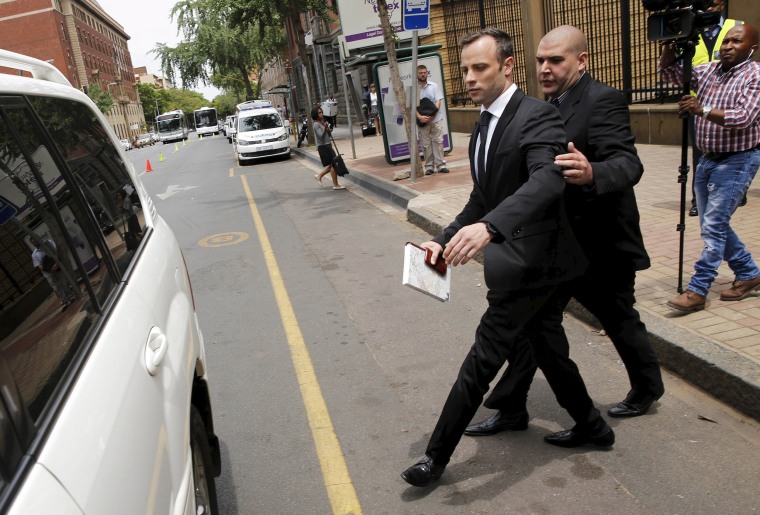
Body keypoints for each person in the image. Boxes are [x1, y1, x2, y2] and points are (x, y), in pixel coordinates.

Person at [401, 28, 613, 488]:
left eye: (481, 68)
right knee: (549, 352)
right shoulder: (483, 123)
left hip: (536, 265)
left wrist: (491, 227)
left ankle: (435, 458)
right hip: (516, 263)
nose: (470, 79)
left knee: (483, 359)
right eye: (465, 70)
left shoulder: (537, 117)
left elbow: (546, 181)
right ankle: (594, 427)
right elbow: (483, 196)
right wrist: (445, 237)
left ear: (509, 65)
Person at [463, 26, 664, 443]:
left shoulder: (601, 100)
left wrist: (593, 172)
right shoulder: (538, 107)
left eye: (556, 61)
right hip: (558, 247)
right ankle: (512, 407)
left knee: (618, 319)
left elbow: (629, 165)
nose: (546, 69)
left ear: (581, 61)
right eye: (540, 61)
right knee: (532, 327)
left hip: (601, 244)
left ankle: (647, 388)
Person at [661, 24, 760, 312]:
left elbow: (742, 117)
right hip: (708, 158)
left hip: (739, 159)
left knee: (714, 226)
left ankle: (698, 289)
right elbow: (669, 75)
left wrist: (700, 109)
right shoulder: (710, 70)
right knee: (712, 224)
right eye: (726, 41)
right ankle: (749, 273)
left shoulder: (755, 75)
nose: (727, 45)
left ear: (752, 48)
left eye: (736, 41)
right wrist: (670, 43)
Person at [688, 1, 746, 216]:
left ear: (720, 3)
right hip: (698, 105)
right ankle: (698, 199)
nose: (706, 8)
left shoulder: (735, 25)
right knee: (699, 154)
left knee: (737, 149)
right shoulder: (689, 29)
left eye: (710, 3)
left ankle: (737, 189)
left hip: (729, 101)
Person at [416, 65, 449, 174]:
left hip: (435, 119)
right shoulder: (413, 89)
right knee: (426, 144)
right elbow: (411, 107)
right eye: (420, 72)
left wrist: (433, 114)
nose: (423, 74)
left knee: (438, 142)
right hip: (422, 121)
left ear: (427, 73)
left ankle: (441, 165)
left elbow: (438, 101)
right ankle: (429, 167)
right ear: (417, 74)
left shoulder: (434, 86)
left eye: (425, 72)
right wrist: (420, 117)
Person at [29, 235, 76, 310]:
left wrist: (56, 263)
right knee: (57, 287)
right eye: (33, 242)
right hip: (48, 273)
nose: (35, 243)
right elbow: (38, 265)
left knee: (64, 282)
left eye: (35, 240)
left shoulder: (49, 243)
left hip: (57, 267)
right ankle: (64, 301)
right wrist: (48, 269)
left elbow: (57, 252)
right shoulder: (34, 254)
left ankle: (71, 296)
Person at [311, 106, 345, 190]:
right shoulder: (315, 124)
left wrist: (328, 130)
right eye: (319, 113)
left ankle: (319, 176)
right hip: (323, 147)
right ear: (316, 114)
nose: (321, 114)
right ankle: (335, 185)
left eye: (321, 112)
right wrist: (325, 128)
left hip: (328, 145)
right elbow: (320, 137)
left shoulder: (323, 122)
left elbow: (327, 135)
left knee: (332, 165)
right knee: (333, 165)